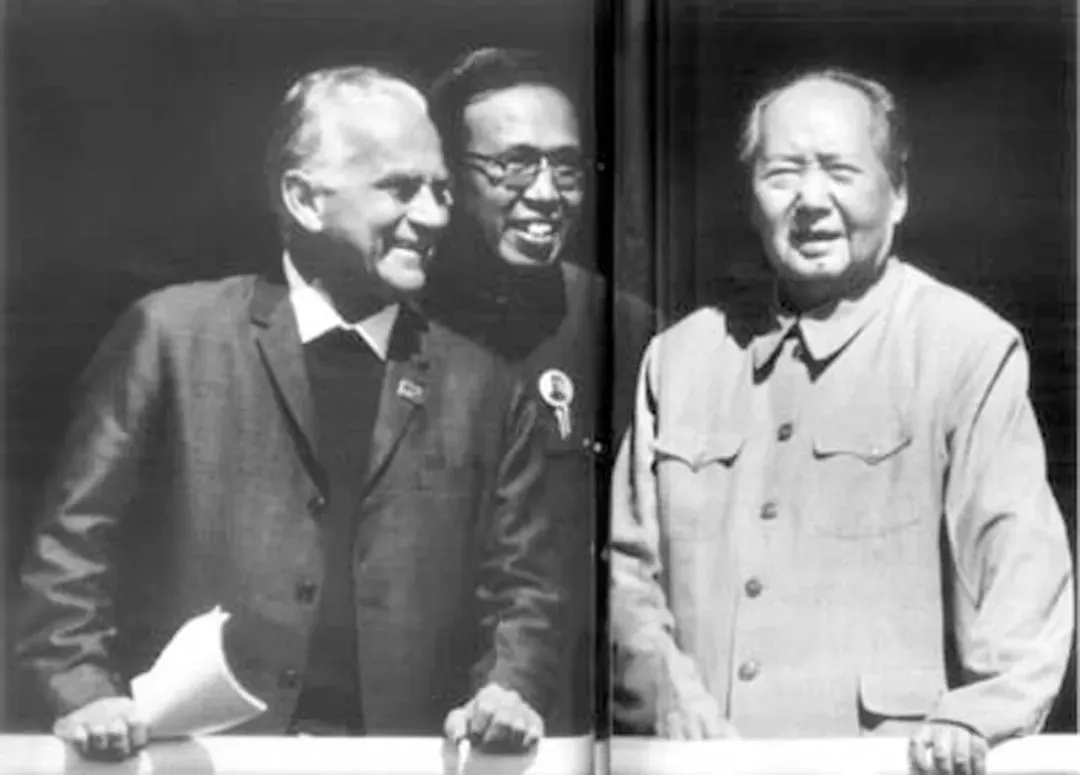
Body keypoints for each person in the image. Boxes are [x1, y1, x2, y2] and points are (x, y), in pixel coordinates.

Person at [17, 65, 564, 760]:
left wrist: (507, 689)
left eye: (442, 190)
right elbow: (71, 552)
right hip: (193, 760)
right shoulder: (171, 338)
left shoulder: (486, 388)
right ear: (304, 199)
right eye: (401, 188)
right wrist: (86, 691)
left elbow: (524, 593)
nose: (433, 216)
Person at [609, 67, 1074, 774]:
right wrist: (664, 690)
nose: (810, 200)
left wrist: (977, 714)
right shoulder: (679, 358)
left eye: (840, 170)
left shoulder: (966, 350)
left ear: (899, 192)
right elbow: (625, 572)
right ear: (751, 196)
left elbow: (1019, 571)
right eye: (782, 173)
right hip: (700, 762)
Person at [424, 47, 654, 736]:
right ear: (448, 175)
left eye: (567, 168)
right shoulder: (401, 318)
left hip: (574, 713)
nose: (549, 194)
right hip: (417, 713)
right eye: (516, 165)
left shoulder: (625, 330)